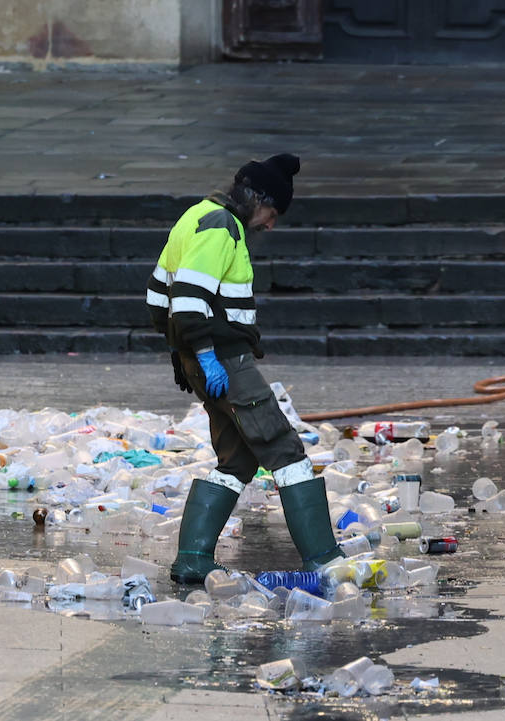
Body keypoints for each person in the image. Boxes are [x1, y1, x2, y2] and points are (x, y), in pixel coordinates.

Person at [146, 153, 343, 584]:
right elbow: (188, 298)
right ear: (257, 199)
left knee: (236, 461)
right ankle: (324, 559)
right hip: (226, 361)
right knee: (284, 450)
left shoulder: (194, 216)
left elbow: (159, 296)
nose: (271, 225)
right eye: (273, 213)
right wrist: (203, 353)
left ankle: (193, 559)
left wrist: (183, 355)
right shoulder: (221, 227)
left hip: (204, 359)